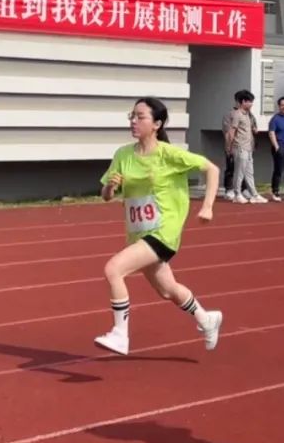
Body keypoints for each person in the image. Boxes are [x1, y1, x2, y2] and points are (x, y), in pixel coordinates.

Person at [96, 97, 224, 357]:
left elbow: (212, 169)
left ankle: (120, 334)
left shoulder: (169, 154)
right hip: (139, 232)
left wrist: (208, 206)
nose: (133, 121)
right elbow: (106, 195)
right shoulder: (123, 154)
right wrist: (110, 186)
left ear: (157, 124)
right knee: (168, 290)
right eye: (132, 116)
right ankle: (206, 318)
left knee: (113, 269)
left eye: (140, 116)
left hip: (163, 230)